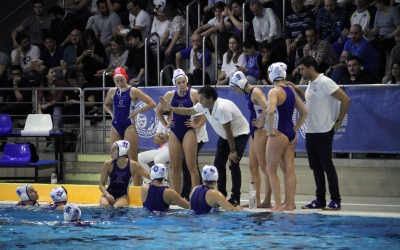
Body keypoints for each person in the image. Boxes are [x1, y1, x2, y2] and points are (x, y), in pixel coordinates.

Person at [159, 85, 250, 206]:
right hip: (224, 136)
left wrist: (232, 150)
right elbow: (189, 111)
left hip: (239, 135)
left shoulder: (222, 108)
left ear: (210, 99)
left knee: (233, 164)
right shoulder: (204, 106)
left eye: (201, 99)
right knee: (218, 164)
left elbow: (229, 131)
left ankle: (235, 198)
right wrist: (172, 108)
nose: (199, 101)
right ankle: (221, 195)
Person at [291, 56, 351, 211]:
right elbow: (310, 101)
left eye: (302, 69)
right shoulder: (311, 84)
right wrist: (297, 90)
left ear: (311, 68)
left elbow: (346, 100)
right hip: (311, 131)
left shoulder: (325, 82)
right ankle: (320, 199)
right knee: (315, 166)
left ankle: (336, 200)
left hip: (324, 130)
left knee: (327, 166)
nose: (300, 72)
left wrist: (338, 121)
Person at [265, 63, 308, 212]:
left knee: (271, 170)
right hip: (290, 134)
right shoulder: (290, 89)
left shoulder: (274, 91)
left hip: (279, 134)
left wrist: (270, 131)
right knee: (289, 169)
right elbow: (304, 112)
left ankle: (277, 205)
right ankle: (290, 204)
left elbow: (271, 111)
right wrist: (294, 129)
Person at [103, 67, 156, 185]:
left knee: (133, 161)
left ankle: (137, 188)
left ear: (126, 78)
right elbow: (105, 105)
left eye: (121, 80)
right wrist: (111, 114)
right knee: (115, 159)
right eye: (117, 81)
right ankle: (116, 186)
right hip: (115, 127)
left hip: (129, 127)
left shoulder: (133, 91)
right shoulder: (112, 91)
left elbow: (152, 103)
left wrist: (137, 112)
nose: (119, 83)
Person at [229, 71, 271, 208]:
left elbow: (268, 107)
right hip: (254, 131)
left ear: (240, 85)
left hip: (260, 130)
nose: (235, 92)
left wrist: (262, 122)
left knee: (265, 167)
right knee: (253, 166)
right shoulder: (248, 93)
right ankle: (256, 201)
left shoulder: (256, 91)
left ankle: (267, 201)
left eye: (235, 89)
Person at [155, 69, 201, 195]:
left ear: (187, 81)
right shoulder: (170, 95)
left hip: (188, 131)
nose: (182, 84)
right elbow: (158, 111)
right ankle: (176, 196)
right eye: (179, 82)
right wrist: (166, 124)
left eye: (184, 81)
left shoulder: (194, 93)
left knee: (192, 166)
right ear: (175, 84)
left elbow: (206, 108)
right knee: (175, 167)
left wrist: (197, 124)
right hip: (175, 131)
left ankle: (196, 194)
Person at [99, 140, 151, 207]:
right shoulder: (108, 164)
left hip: (123, 197)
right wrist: (107, 194)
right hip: (108, 194)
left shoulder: (133, 165)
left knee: (116, 207)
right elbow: (101, 184)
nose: (111, 152)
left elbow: (149, 176)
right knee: (104, 205)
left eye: (113, 150)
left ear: (122, 151)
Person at [366, 0, 400, 80]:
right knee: (369, 45)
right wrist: (369, 33)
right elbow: (376, 29)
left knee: (381, 48)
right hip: (381, 36)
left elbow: (399, 27)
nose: (375, 6)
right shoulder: (378, 12)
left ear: (381, 3)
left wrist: (389, 36)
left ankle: (380, 75)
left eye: (376, 3)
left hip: (392, 37)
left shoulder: (394, 11)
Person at [138, 112, 171, 182]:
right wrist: (164, 136)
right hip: (162, 149)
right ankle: (151, 182)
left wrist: (161, 136)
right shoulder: (163, 119)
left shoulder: (176, 120)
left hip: (173, 150)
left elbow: (172, 138)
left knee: (158, 159)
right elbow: (156, 140)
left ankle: (160, 184)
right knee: (139, 158)